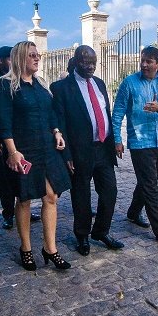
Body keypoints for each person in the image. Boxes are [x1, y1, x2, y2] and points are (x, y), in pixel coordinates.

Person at [0, 41, 72, 271]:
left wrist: (57, 132)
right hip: (23, 151)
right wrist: (12, 151)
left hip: (47, 149)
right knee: (24, 198)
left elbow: (51, 114)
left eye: (37, 55)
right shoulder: (6, 84)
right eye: (32, 55)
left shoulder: (41, 84)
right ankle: (26, 248)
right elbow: (3, 122)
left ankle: (50, 248)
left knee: (51, 196)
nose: (37, 58)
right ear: (20, 57)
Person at [51, 45, 124, 256]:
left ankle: (101, 231)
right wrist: (66, 155)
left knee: (109, 191)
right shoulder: (62, 88)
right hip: (79, 152)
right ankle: (82, 235)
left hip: (103, 148)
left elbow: (105, 114)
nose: (90, 66)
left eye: (93, 62)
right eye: (85, 62)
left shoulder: (99, 83)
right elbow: (60, 123)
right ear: (76, 61)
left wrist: (114, 141)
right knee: (81, 196)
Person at [112, 46, 158, 249]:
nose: (144, 64)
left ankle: (133, 212)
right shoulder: (129, 82)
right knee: (151, 187)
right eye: (142, 60)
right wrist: (117, 139)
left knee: (148, 181)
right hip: (140, 142)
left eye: (149, 61)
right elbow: (117, 113)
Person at [0, 45, 40, 229]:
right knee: (6, 181)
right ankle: (8, 213)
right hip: (6, 142)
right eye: (6, 59)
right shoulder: (0, 81)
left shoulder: (30, 81)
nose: (9, 62)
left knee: (23, 184)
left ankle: (23, 208)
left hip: (26, 142)